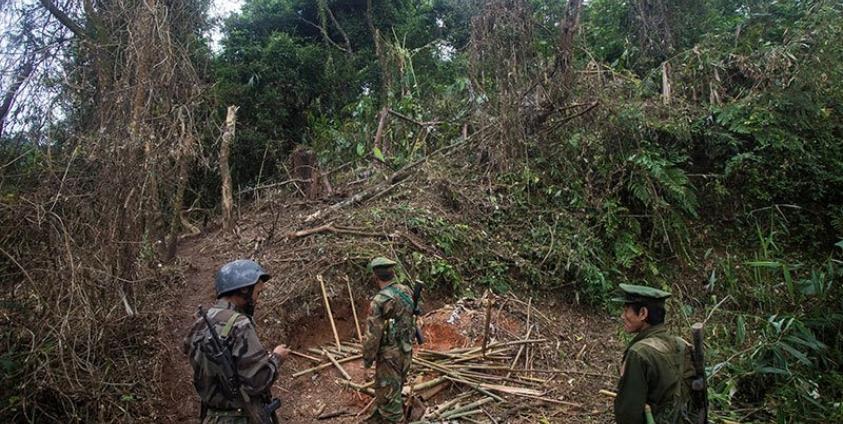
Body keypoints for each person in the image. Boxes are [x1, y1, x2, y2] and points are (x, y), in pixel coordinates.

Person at [183, 259, 290, 423]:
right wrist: (276, 358)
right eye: (257, 293)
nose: (258, 300)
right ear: (244, 290)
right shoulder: (240, 324)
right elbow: (257, 382)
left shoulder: (199, 323)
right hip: (241, 417)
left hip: (212, 417)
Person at [613, 283, 690, 424]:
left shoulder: (639, 353)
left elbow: (628, 413)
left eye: (626, 311)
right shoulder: (681, 345)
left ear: (643, 313)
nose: (622, 316)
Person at [362, 257, 416, 423]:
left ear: (375, 276)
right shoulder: (406, 291)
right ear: (393, 273)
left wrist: (367, 362)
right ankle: (377, 418)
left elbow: (372, 336)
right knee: (393, 391)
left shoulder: (379, 301)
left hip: (388, 357)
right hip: (406, 351)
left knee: (390, 400)